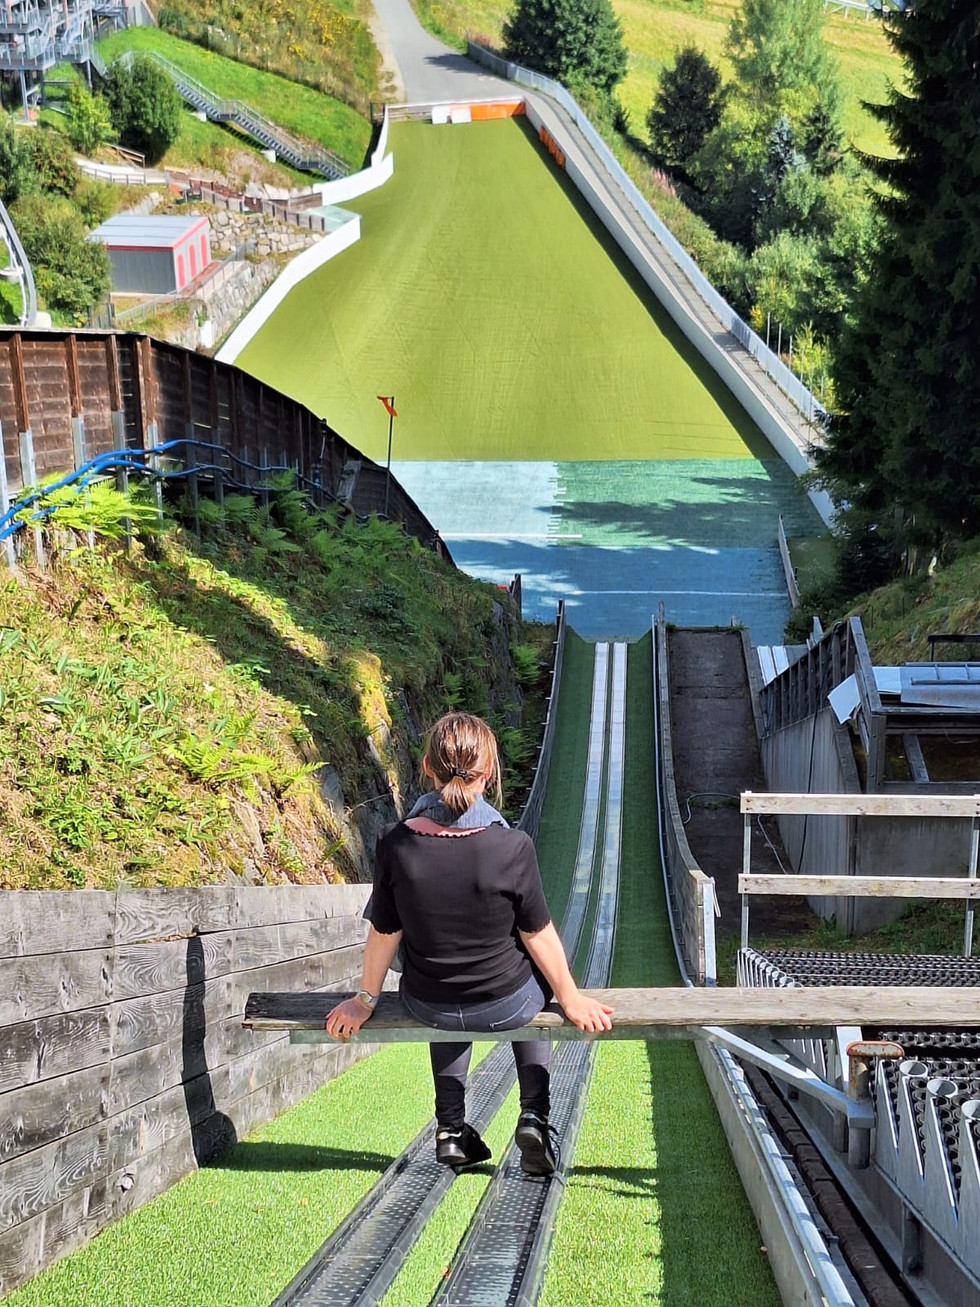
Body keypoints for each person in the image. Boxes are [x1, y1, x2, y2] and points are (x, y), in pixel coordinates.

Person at [324, 711, 613, 1175]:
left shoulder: (394, 844)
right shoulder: (512, 846)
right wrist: (570, 996)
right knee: (537, 968)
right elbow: (536, 934)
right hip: (505, 1004)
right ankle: (535, 1115)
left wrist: (364, 1000)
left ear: (425, 767)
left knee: (439, 977)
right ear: (490, 773)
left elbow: (384, 930)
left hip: (429, 1004)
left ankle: (451, 1129)